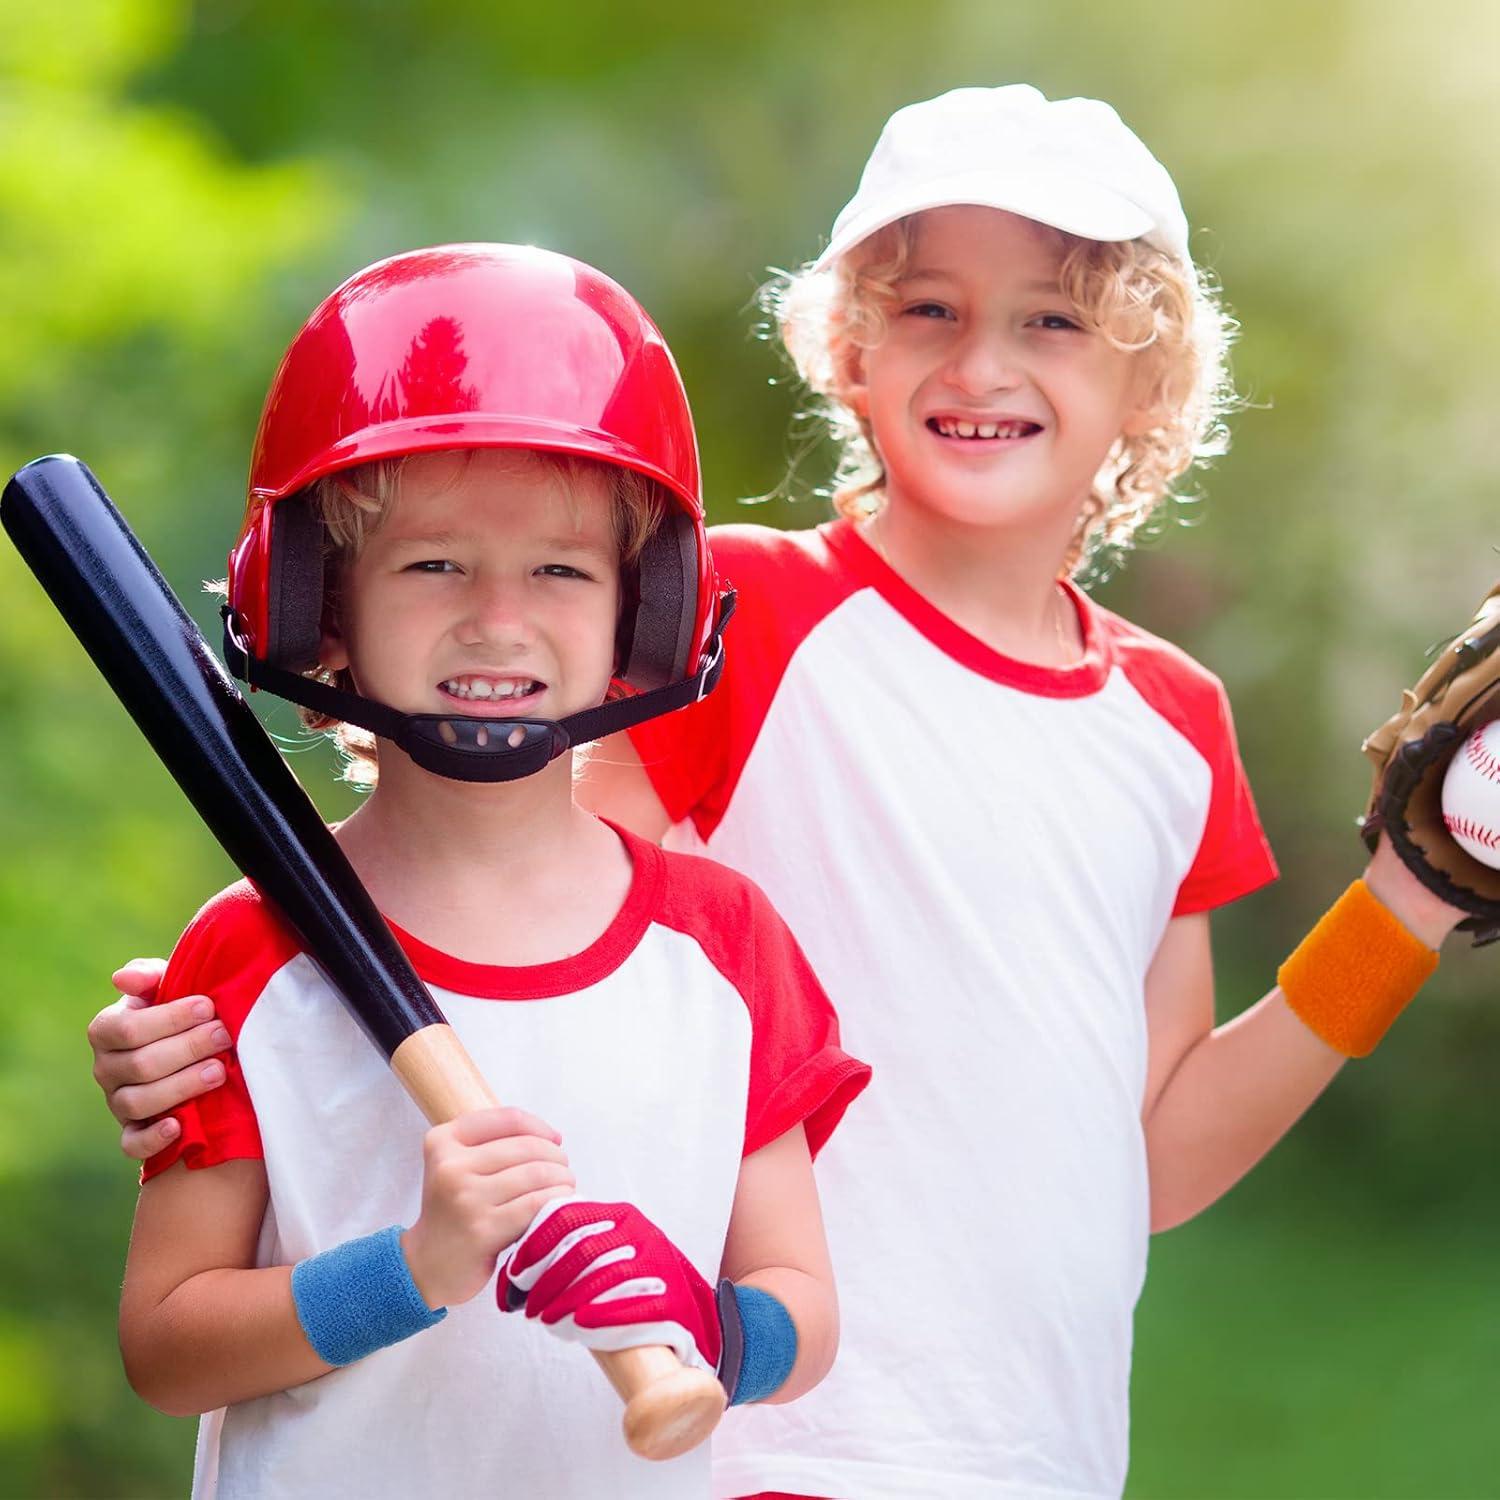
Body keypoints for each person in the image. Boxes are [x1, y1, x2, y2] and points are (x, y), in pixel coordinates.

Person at [92, 91, 1463, 1499]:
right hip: (740, 1427)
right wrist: (249, 1005)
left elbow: (1159, 1158)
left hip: (1035, 1448)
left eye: (1053, 318)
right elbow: (515, 944)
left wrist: (1408, 903)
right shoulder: (743, 608)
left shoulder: (1173, 718)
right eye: (927, 307)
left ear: (1150, 381)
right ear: (851, 349)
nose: (982, 360)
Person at [111, 242, 868, 1500]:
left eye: (562, 569)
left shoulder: (721, 943)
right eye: (433, 562)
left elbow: (806, 1317)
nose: (498, 617)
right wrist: (413, 1267)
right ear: (322, 605)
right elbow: (166, 1346)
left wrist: (711, 1319)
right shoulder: (251, 954)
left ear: (646, 611)